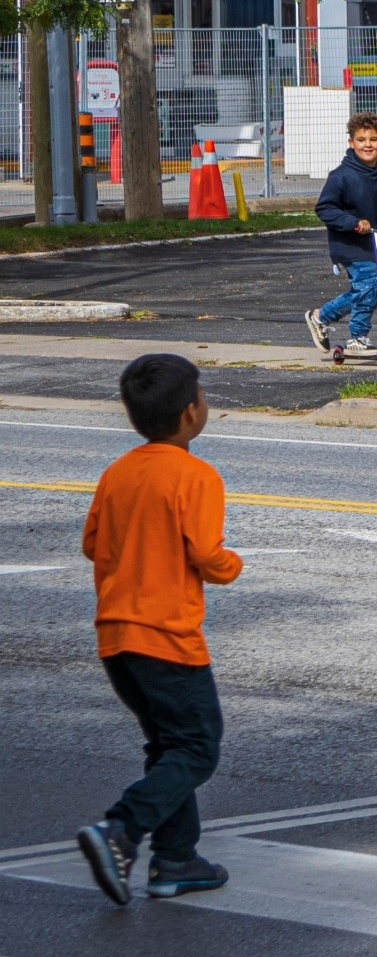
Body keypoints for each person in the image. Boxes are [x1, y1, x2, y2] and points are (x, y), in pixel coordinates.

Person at [74, 354, 240, 906]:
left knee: (167, 745)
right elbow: (205, 552)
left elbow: (93, 545)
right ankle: (121, 828)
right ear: (192, 412)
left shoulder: (117, 472)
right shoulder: (196, 475)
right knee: (197, 747)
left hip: (116, 638)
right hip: (166, 637)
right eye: (203, 396)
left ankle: (176, 860)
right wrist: (230, 565)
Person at [302, 114, 377, 361]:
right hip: (349, 243)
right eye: (361, 140)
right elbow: (325, 208)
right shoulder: (341, 175)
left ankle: (321, 317)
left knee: (368, 290)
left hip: (376, 241)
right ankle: (358, 337)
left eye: (373, 139)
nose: (368, 144)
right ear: (351, 143)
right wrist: (353, 223)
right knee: (368, 286)